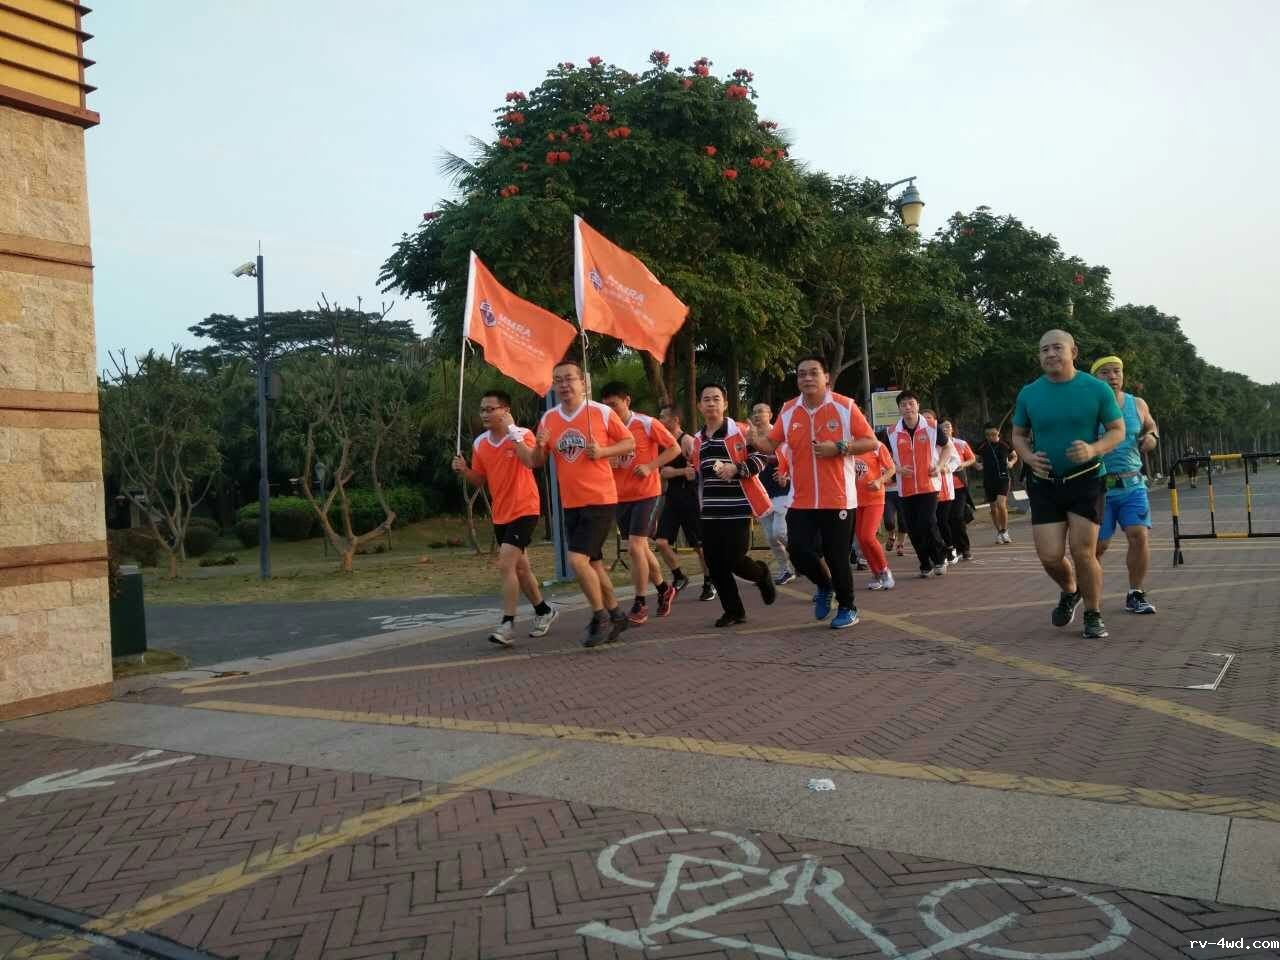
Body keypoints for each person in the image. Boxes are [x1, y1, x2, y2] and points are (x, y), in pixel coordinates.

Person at [1011, 330, 1125, 639]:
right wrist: (1028, 457)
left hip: (1086, 480)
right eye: (1044, 349)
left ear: (1073, 352)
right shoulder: (1030, 393)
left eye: (1056, 348)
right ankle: (1070, 589)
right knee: (1050, 556)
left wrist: (1093, 449)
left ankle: (1093, 614)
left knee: (1082, 552)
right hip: (1044, 483)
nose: (1050, 354)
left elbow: (1117, 429)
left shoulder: (1096, 389)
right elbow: (1018, 435)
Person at [515, 359, 636, 647]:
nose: (564, 385)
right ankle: (617, 614)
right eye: (558, 380)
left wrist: (603, 451)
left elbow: (629, 443)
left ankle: (599, 616)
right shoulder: (549, 419)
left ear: (583, 383)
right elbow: (536, 461)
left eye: (569, 378)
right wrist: (539, 445)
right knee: (593, 564)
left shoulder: (601, 412)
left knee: (577, 561)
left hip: (600, 498)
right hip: (571, 502)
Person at [754, 355, 877, 630]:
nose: (807, 378)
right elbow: (771, 443)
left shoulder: (845, 406)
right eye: (802, 374)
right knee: (797, 550)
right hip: (802, 498)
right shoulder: (789, 410)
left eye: (813, 373)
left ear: (826, 378)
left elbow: (870, 442)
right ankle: (824, 585)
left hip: (839, 497)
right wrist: (751, 438)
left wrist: (840, 447)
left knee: (836, 556)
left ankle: (848, 607)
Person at [451, 391, 559, 646]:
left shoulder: (522, 434)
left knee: (505, 564)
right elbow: (480, 479)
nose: (485, 414)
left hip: (525, 508)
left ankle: (507, 623)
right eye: (482, 410)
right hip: (501, 513)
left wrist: (513, 432)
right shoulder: (480, 443)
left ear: (505, 410)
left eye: (491, 409)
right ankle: (544, 610)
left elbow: (531, 461)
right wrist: (465, 470)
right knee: (521, 569)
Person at [691, 384, 777, 626]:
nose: (711, 403)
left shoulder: (741, 430)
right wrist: (690, 473)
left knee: (734, 559)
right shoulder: (697, 440)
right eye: (706, 399)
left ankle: (761, 574)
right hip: (709, 511)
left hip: (738, 507)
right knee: (714, 563)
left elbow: (761, 458)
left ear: (725, 404)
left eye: (716, 399)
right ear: (699, 406)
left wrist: (737, 469)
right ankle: (734, 611)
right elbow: (699, 472)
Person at [599, 382, 680, 624]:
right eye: (606, 406)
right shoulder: (605, 428)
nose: (611, 411)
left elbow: (674, 448)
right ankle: (664, 588)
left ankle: (640, 602)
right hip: (620, 497)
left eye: (614, 405)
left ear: (627, 401)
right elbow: (601, 458)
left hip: (647, 494)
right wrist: (607, 461)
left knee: (635, 547)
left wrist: (650, 466)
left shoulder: (646, 423)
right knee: (640, 549)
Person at [1090, 356, 1160, 615]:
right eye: (1105, 372)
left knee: (1139, 535)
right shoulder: (1088, 407)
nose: (1112, 376)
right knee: (1098, 547)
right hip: (1099, 487)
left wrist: (1151, 436)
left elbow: (1150, 425)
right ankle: (1089, 594)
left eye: (1117, 371)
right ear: (1094, 378)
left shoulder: (1136, 403)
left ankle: (1136, 593)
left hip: (1132, 484)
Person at [654, 404, 716, 602]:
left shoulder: (687, 440)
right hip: (672, 498)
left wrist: (680, 472)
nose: (660, 420)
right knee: (661, 542)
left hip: (690, 498)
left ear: (675, 420)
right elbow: (662, 472)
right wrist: (675, 473)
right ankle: (679, 575)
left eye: (663, 417)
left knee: (699, 545)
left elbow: (697, 470)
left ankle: (709, 581)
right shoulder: (662, 442)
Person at [886, 391, 950, 577]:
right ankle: (925, 563)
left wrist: (939, 466)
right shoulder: (891, 432)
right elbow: (883, 456)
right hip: (905, 488)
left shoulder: (932, 426)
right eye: (903, 404)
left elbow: (947, 448)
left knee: (927, 522)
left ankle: (939, 558)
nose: (908, 407)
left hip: (928, 485)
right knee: (913, 529)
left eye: (911, 403)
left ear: (918, 405)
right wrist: (897, 468)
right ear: (899, 408)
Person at [748, 402, 796, 585]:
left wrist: (787, 475)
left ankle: (802, 556)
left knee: (779, 532)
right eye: (754, 412)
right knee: (770, 537)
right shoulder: (750, 439)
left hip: (782, 491)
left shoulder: (779, 436)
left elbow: (793, 458)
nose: (757, 415)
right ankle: (786, 570)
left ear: (770, 415)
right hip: (761, 493)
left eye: (761, 412)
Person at [855, 437, 897, 590]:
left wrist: (880, 481)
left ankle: (885, 570)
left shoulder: (877, 446)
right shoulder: (848, 446)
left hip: (874, 499)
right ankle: (877, 574)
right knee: (861, 540)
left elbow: (891, 469)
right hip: (855, 501)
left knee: (868, 536)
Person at [924, 410, 959, 564]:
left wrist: (946, 468)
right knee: (931, 522)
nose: (926, 421)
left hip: (944, 487)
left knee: (942, 521)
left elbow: (956, 460)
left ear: (934, 421)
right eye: (923, 418)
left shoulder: (943, 440)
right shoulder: (918, 439)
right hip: (927, 488)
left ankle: (950, 548)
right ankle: (937, 552)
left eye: (929, 418)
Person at [975, 423, 1018, 543]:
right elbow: (973, 458)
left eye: (993, 434)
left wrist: (1011, 463)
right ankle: (999, 532)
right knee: (993, 508)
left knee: (1001, 504)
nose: (990, 437)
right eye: (987, 435)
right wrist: (977, 465)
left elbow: (1015, 456)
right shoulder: (982, 445)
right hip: (989, 480)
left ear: (998, 432)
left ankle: (1005, 531)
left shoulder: (1005, 444)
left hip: (1003, 478)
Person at [941, 418, 976, 561]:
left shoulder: (961, 444)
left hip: (959, 486)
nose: (945, 429)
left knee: (957, 517)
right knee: (945, 520)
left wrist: (962, 464)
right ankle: (951, 547)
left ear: (952, 429)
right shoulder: (935, 444)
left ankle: (964, 548)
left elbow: (972, 458)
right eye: (942, 427)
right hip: (942, 488)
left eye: (948, 426)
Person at [879, 428, 908, 558]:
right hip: (886, 493)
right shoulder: (878, 452)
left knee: (903, 521)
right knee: (889, 521)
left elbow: (904, 468)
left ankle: (900, 544)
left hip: (901, 491)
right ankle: (892, 535)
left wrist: (894, 477)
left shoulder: (899, 452)